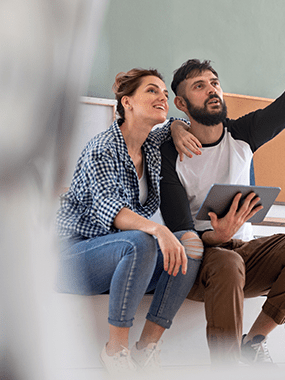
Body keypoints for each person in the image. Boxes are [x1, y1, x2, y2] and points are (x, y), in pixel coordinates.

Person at [160, 15, 285, 367]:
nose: (212, 89)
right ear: (181, 104)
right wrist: (217, 236)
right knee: (227, 259)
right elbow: (179, 229)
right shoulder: (170, 153)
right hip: (199, 261)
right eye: (199, 86)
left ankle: (254, 340)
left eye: (214, 82)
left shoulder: (242, 134)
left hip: (243, 253)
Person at [55, 68, 204, 375]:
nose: (162, 96)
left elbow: (178, 123)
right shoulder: (103, 149)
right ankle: (115, 350)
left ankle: (146, 347)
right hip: (72, 259)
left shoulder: (149, 144)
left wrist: (176, 127)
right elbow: (113, 211)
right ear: (127, 103)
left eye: (164, 92)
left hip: (117, 259)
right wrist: (159, 229)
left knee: (190, 244)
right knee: (142, 240)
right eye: (152, 91)